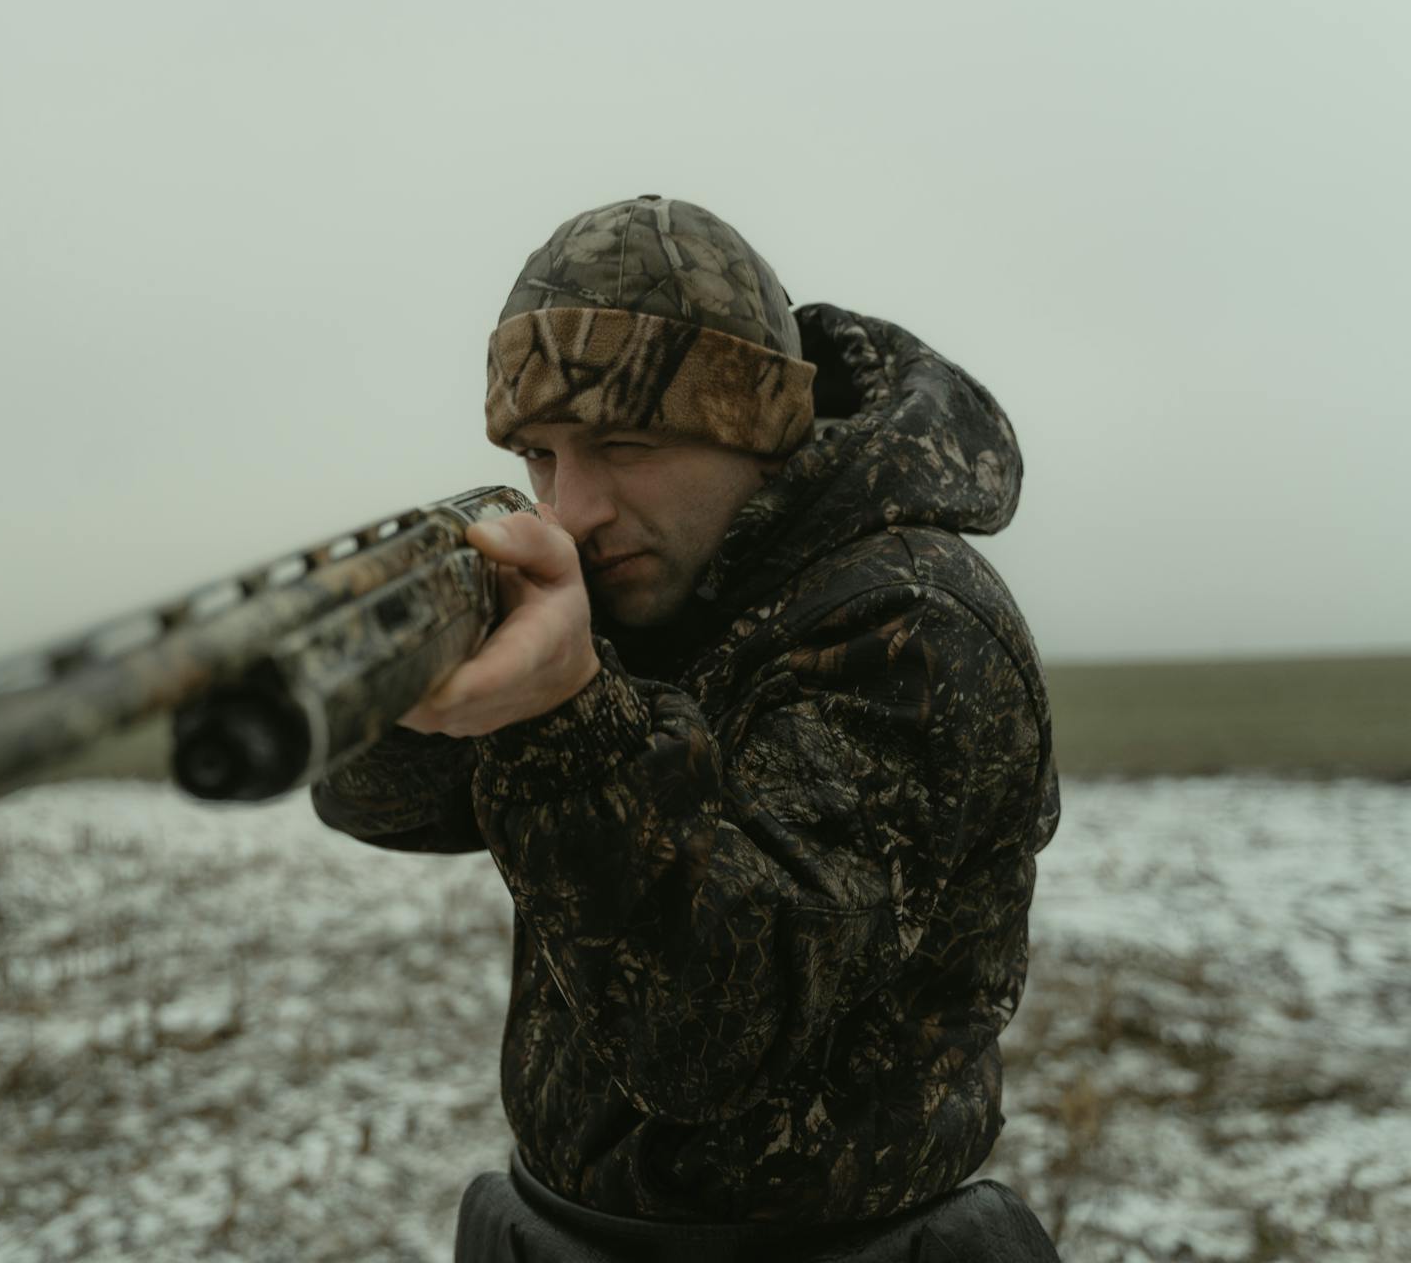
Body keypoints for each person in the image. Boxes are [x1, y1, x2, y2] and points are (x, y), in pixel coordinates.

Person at [310, 195, 1062, 1261]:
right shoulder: (647, 580)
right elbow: (372, 800)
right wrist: (413, 649)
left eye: (627, 442)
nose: (573, 509)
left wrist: (565, 714)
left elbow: (710, 1033)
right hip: (557, 1226)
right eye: (541, 455)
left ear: (753, 426)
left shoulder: (915, 623)